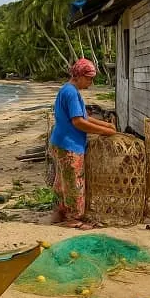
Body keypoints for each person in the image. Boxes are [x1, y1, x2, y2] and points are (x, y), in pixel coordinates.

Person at [48, 58, 116, 230]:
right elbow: (78, 122)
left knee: (62, 181)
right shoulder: (71, 93)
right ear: (78, 76)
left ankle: (58, 213)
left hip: (59, 141)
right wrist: (103, 131)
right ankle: (72, 217)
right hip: (69, 145)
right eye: (89, 78)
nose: (91, 83)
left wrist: (106, 125)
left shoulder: (68, 90)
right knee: (74, 182)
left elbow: (84, 117)